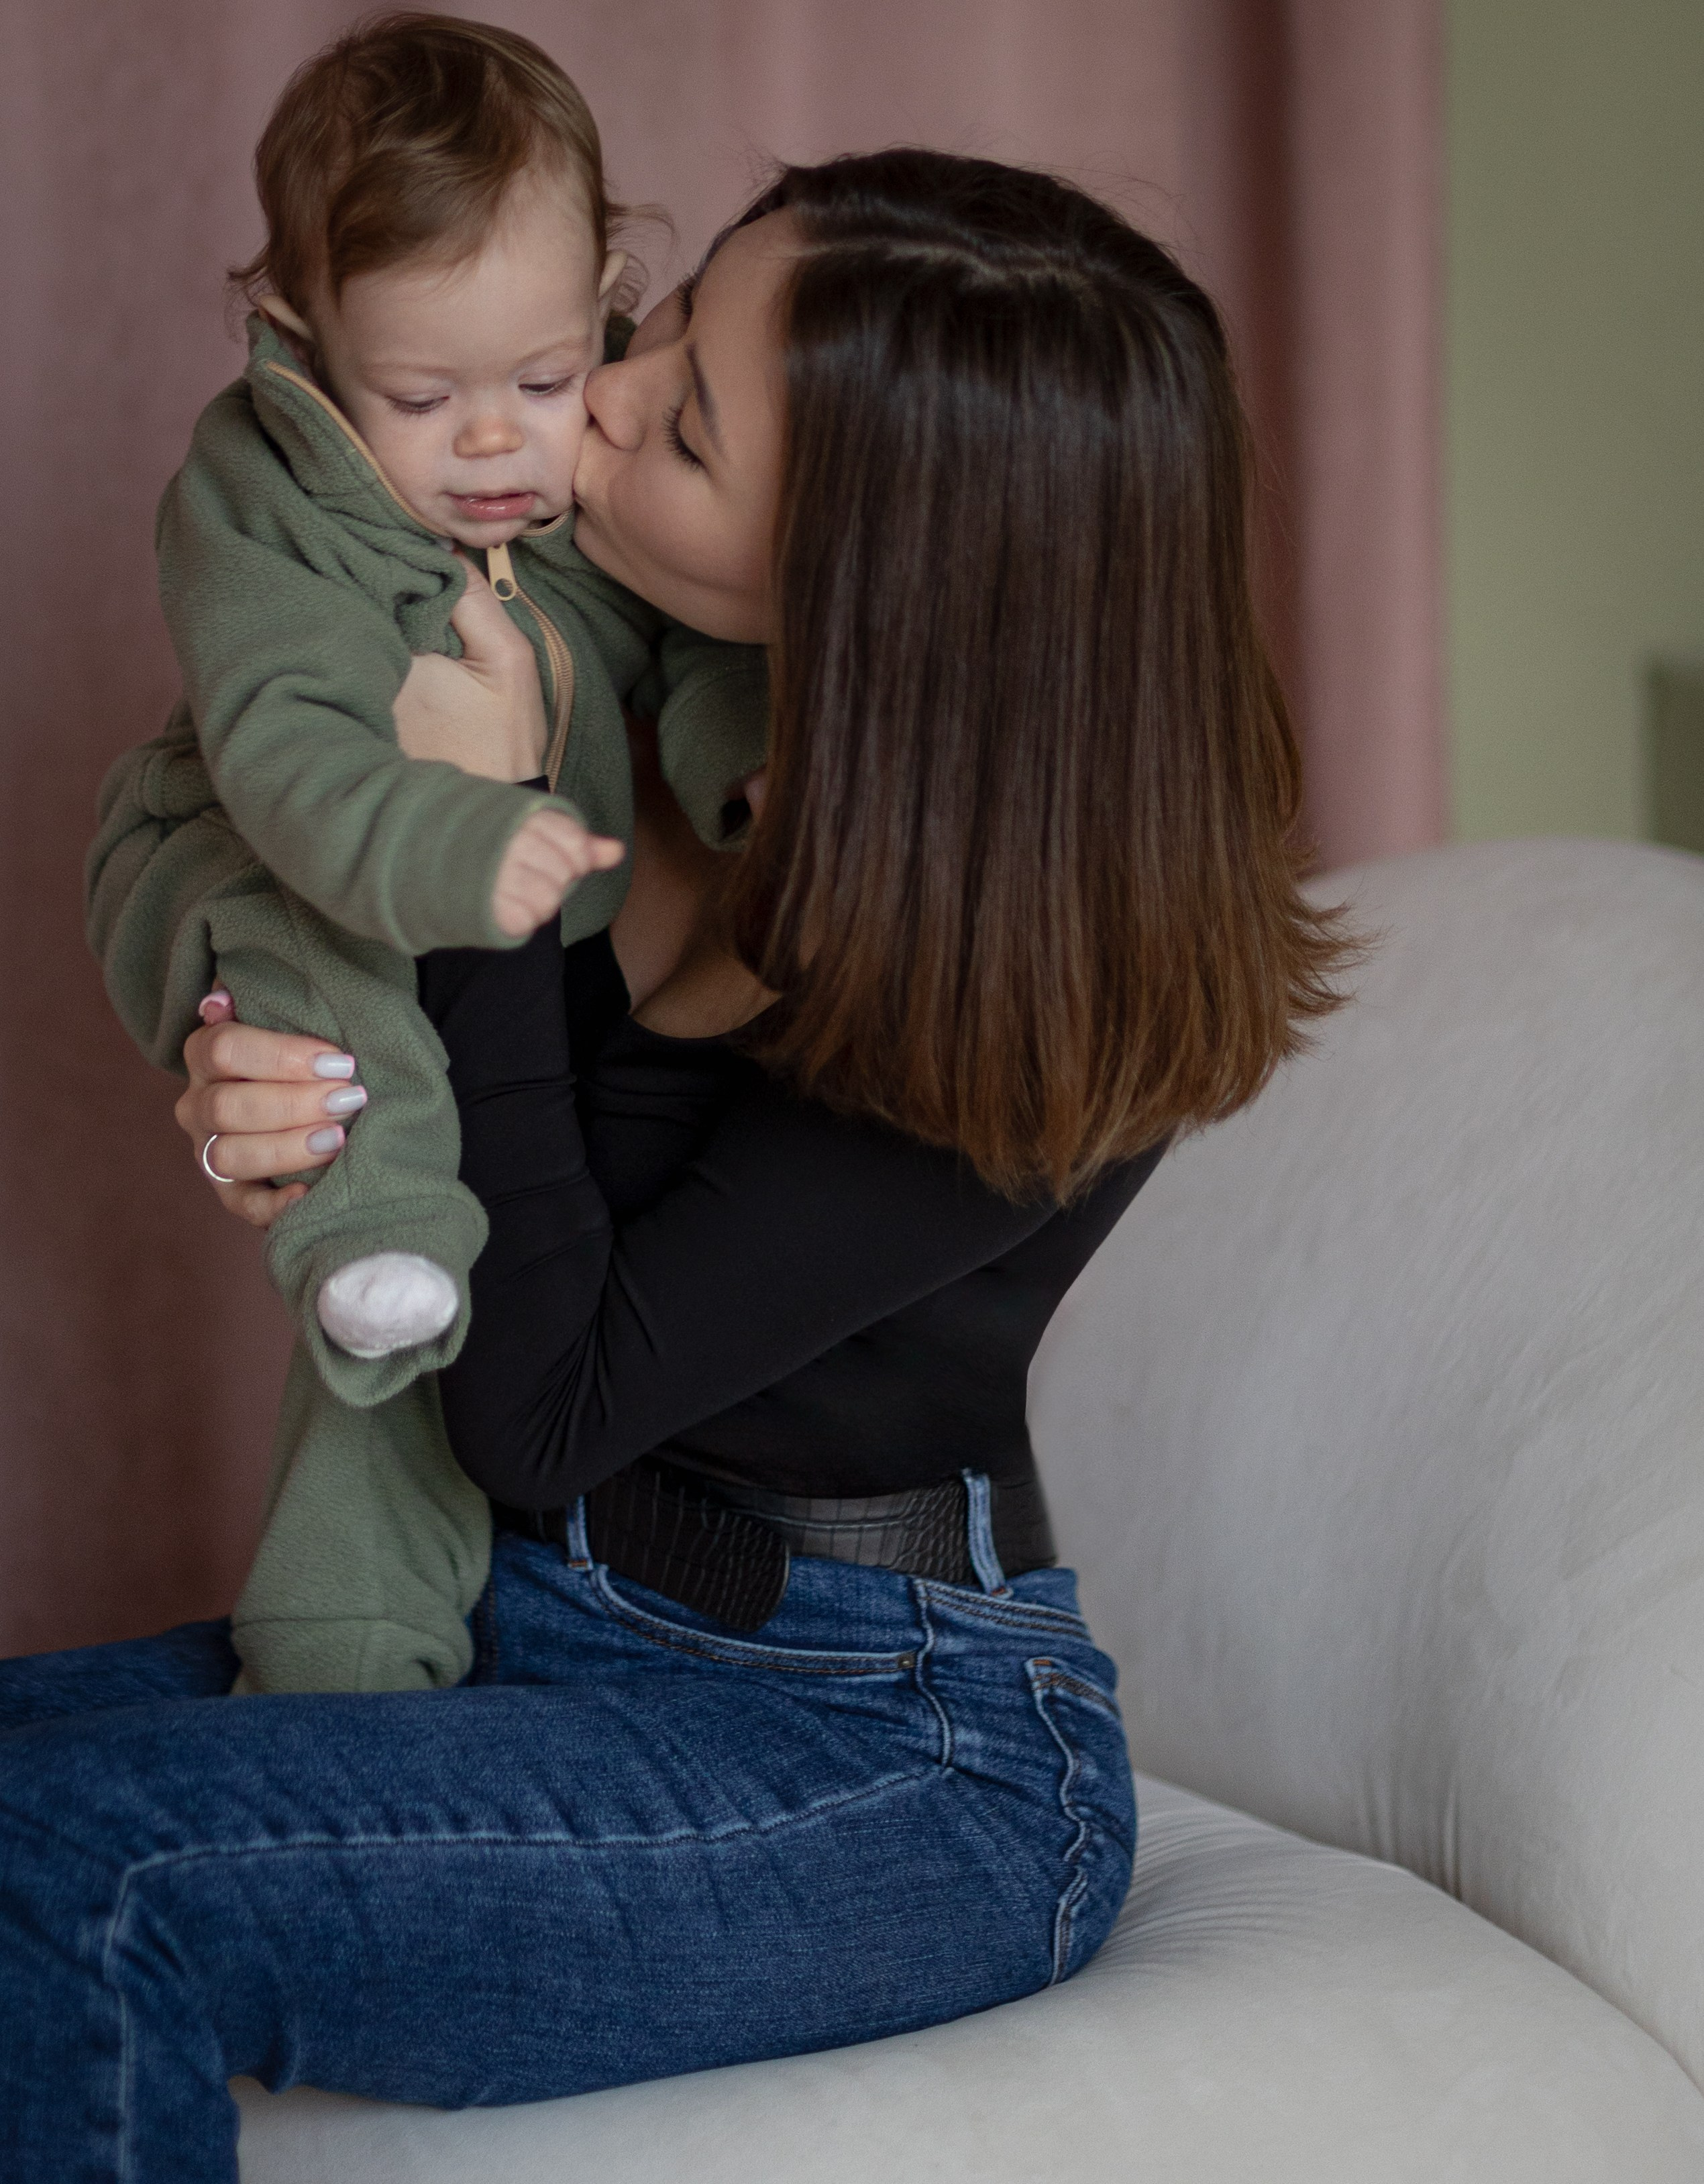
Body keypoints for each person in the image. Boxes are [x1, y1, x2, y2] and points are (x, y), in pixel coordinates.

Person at [1, 150, 1350, 2179]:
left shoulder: (1027, 1000)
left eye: (687, 426)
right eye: (663, 321)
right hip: (534, 1607)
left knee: (76, 1870)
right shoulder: (603, 681)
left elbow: (536, 1402)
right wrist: (260, 1079)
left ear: (873, 586)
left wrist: (461, 872)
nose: (597, 398)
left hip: (878, 1747)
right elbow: (224, 859)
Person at [85, 11, 767, 1694]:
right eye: (420, 395)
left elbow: (705, 666)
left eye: (544, 380)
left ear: (604, 283)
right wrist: (463, 843)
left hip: (465, 915)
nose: (496, 446)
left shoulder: (587, 492)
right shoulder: (264, 501)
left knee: (410, 1306)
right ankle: (374, 1228)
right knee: (369, 1110)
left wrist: (756, 787)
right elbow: (289, 753)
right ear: (294, 330)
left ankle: (341, 1641)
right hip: (253, 848)